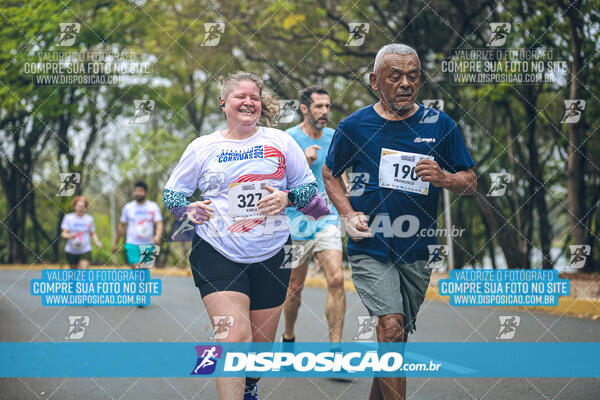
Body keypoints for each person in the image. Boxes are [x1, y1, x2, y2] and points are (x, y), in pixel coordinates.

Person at [323, 44, 477, 400]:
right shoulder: (354, 126)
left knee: (396, 336)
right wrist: (348, 214)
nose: (406, 83)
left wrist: (444, 178)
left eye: (413, 75)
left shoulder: (440, 125)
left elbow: (470, 180)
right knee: (391, 328)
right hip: (370, 244)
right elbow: (331, 174)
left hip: (417, 247)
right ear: (376, 81)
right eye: (396, 76)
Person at [162, 72, 328, 400]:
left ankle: (250, 385)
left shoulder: (280, 142)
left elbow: (308, 188)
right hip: (217, 250)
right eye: (240, 96)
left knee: (259, 352)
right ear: (224, 103)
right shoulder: (203, 147)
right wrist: (189, 209)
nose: (249, 101)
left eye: (254, 96)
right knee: (234, 337)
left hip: (272, 253)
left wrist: (288, 198)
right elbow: (172, 195)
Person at [282, 86, 347, 350]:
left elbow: (339, 174)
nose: (324, 112)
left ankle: (335, 350)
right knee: (295, 288)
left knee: (336, 279)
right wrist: (303, 163)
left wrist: (349, 209)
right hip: (295, 221)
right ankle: (288, 336)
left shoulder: (334, 137)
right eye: (319, 106)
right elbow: (278, 184)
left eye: (327, 106)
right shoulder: (288, 139)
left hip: (326, 217)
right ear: (304, 108)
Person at [112, 180, 163, 268]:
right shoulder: (128, 207)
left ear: (145, 192)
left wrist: (157, 236)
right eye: (135, 191)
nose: (137, 193)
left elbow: (159, 223)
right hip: (132, 243)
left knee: (145, 270)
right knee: (137, 267)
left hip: (149, 244)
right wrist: (116, 243)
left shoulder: (153, 206)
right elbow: (121, 225)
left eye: (140, 191)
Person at [61, 196, 102, 269]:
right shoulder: (68, 218)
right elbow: (64, 234)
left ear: (86, 208)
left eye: (83, 206)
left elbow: (92, 233)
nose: (80, 208)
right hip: (71, 250)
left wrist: (97, 241)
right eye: (79, 206)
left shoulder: (89, 219)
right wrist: (70, 236)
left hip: (85, 249)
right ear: (74, 207)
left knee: (84, 268)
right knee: (74, 272)